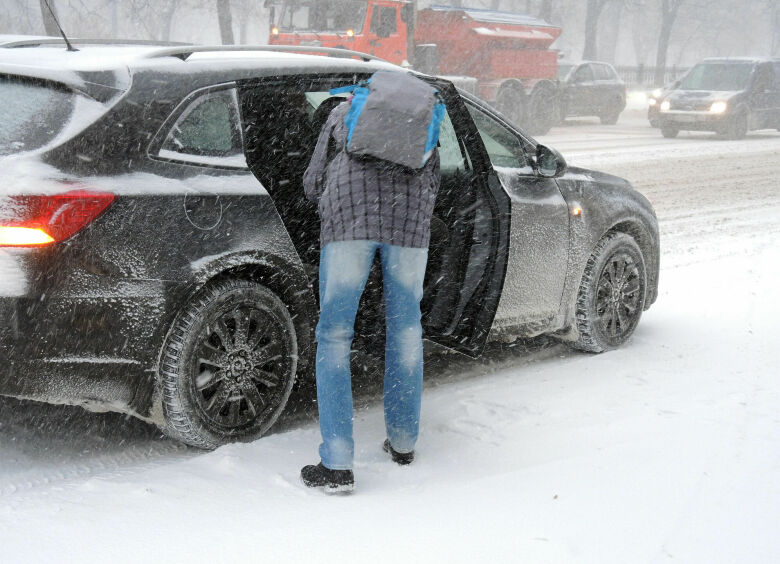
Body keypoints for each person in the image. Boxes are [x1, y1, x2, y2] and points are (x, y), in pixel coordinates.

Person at [300, 94, 441, 493]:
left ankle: (338, 463)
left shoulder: (342, 114)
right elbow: (435, 181)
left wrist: (330, 198)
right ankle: (403, 442)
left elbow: (312, 182)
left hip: (349, 224)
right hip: (409, 226)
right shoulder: (420, 118)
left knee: (334, 335)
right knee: (406, 330)